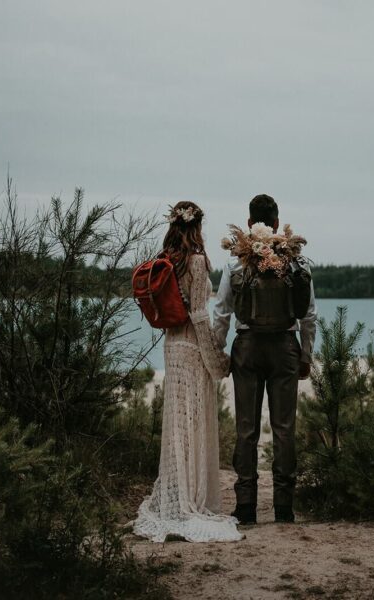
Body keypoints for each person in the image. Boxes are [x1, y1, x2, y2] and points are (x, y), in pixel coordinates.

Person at [133, 201, 242, 543]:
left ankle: (177, 491)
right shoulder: (196, 262)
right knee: (194, 422)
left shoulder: (166, 260)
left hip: (171, 348)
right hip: (193, 349)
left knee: (177, 423)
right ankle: (191, 498)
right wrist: (216, 360)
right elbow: (198, 315)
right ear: (197, 228)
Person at [213, 194, 317, 524]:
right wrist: (305, 356)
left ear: (248, 223)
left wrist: (218, 353)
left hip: (247, 348)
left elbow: (221, 314)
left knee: (246, 430)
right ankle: (284, 507)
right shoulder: (297, 262)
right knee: (284, 429)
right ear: (276, 222)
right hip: (285, 347)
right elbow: (309, 317)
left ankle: (245, 506)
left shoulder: (236, 263)